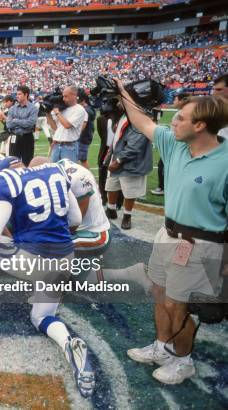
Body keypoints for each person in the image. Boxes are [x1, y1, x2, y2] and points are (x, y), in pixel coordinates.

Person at [116, 80, 228, 385]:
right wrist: (122, 91)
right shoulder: (176, 143)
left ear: (202, 125)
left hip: (201, 243)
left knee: (178, 306)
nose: (172, 121)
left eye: (180, 118)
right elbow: (142, 121)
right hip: (168, 236)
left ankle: (183, 361)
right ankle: (162, 347)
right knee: (160, 295)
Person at [0, 159, 95, 398]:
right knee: (42, 317)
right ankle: (68, 343)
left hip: (34, 261)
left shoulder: (6, 181)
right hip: (65, 257)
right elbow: (75, 220)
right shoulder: (55, 170)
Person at [104, 100, 153, 230]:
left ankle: (127, 215)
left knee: (130, 190)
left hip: (130, 161)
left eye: (122, 100)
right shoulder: (125, 115)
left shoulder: (139, 118)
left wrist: (119, 160)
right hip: (118, 156)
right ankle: (111, 209)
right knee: (112, 185)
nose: (118, 103)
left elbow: (135, 145)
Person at [46, 86, 87, 163]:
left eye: (66, 96)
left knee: (68, 173)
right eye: (63, 96)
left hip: (69, 147)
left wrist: (57, 112)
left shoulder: (79, 109)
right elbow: (55, 128)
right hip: (57, 145)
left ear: (74, 95)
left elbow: (67, 125)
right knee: (54, 172)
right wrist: (48, 114)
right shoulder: (63, 108)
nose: (63, 98)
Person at [6, 86, 38, 166]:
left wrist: (16, 121)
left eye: (19, 94)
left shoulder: (33, 108)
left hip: (27, 137)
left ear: (26, 95)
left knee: (27, 162)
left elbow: (30, 123)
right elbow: (9, 124)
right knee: (13, 162)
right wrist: (23, 122)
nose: (17, 96)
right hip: (15, 137)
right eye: (17, 94)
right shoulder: (12, 109)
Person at [78, 90, 96, 169]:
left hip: (84, 137)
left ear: (83, 100)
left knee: (83, 160)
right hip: (85, 136)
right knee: (80, 159)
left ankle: (88, 178)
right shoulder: (88, 108)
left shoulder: (86, 110)